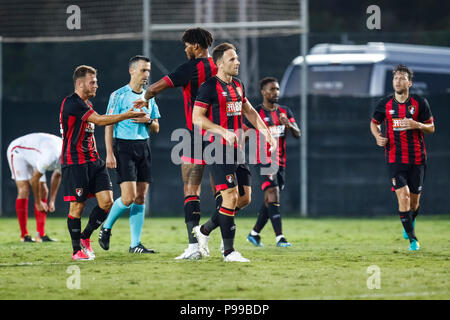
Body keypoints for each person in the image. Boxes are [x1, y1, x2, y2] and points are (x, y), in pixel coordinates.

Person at [133, 28, 220, 260]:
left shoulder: (188, 69)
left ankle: (194, 247)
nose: (185, 49)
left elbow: (153, 88)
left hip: (195, 137)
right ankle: (223, 243)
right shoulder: (221, 67)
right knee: (226, 194)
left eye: (187, 45)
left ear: (196, 46)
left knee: (191, 190)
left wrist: (142, 101)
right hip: (221, 136)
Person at [191, 43, 276, 262]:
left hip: (236, 149)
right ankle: (229, 251)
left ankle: (205, 230)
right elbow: (196, 118)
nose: (237, 62)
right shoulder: (208, 86)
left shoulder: (238, 85)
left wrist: (266, 133)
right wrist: (222, 131)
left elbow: (249, 110)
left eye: (237, 58)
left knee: (244, 198)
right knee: (229, 196)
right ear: (219, 63)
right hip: (216, 147)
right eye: (232, 59)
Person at [60, 65, 146, 261]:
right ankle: (76, 251)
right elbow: (99, 121)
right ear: (80, 83)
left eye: (96, 81)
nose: (96, 85)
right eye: (92, 82)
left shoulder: (87, 104)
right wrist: (128, 114)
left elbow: (97, 120)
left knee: (106, 203)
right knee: (77, 207)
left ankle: (85, 237)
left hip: (93, 161)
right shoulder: (72, 103)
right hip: (75, 162)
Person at [98, 55, 160, 254]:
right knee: (128, 197)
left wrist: (148, 122)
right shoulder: (118, 95)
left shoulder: (149, 97)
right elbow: (108, 123)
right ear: (132, 71)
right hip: (123, 148)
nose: (147, 75)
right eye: (143, 70)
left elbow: (157, 127)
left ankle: (135, 244)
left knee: (140, 197)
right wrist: (109, 153)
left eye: (148, 71)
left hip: (143, 147)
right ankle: (106, 227)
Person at [370, 64, 435, 251]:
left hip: (417, 159)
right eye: (395, 78)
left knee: (414, 202)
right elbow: (374, 123)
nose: (397, 81)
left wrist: (417, 124)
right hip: (394, 158)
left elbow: (431, 128)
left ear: (410, 83)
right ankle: (413, 240)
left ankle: (409, 221)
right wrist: (377, 137)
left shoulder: (420, 103)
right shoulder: (385, 104)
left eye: (402, 78)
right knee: (404, 196)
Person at [245, 77, 300, 248]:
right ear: (263, 92)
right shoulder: (256, 113)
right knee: (273, 193)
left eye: (277, 89)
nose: (275, 92)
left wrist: (289, 126)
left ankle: (254, 233)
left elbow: (298, 134)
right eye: (271, 89)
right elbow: (244, 134)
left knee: (271, 199)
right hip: (262, 160)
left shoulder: (285, 112)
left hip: (280, 162)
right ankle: (280, 238)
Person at [7, 132, 63, 242]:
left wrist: (52, 201)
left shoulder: (69, 156)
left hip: (35, 153)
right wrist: (38, 202)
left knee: (44, 191)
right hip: (18, 150)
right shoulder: (51, 156)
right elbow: (34, 179)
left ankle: (40, 235)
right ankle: (24, 235)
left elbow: (57, 175)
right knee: (24, 190)